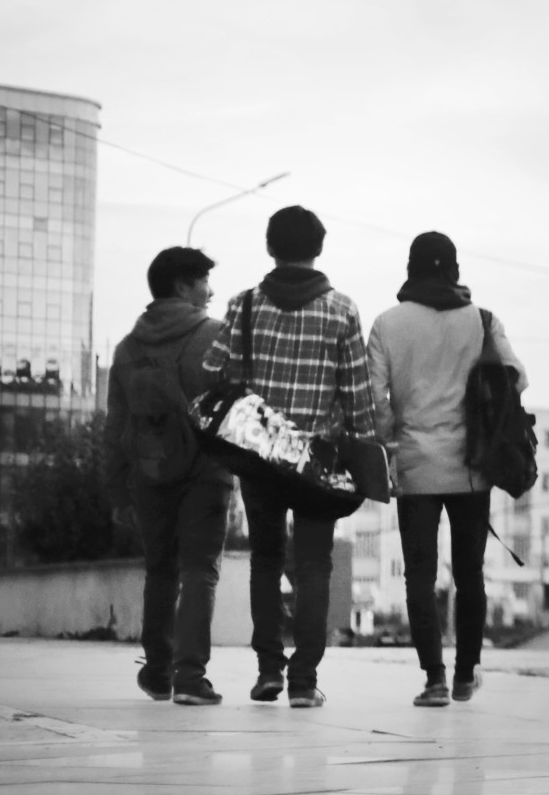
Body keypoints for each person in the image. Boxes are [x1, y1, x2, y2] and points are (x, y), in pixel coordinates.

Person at [201, 206, 385, 709]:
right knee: (314, 565)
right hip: (316, 465)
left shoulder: (243, 304)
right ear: (319, 249)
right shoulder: (342, 310)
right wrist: (368, 452)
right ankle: (304, 680)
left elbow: (212, 369)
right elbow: (357, 395)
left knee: (265, 559)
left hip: (258, 456)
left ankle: (268, 671)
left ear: (270, 247)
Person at [368, 232, 525, 707]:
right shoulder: (483, 321)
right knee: (470, 573)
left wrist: (392, 438)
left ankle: (433, 679)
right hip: (471, 466)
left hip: (416, 465)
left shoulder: (387, 324)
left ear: (411, 269)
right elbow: (515, 378)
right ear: (455, 270)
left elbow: (376, 400)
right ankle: (465, 675)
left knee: (418, 574)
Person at [103, 245, 230, 706]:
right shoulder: (216, 337)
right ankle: (191, 678)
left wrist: (117, 490)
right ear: (183, 285)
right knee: (200, 571)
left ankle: (158, 671)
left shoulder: (127, 349)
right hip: (206, 471)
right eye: (203, 282)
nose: (210, 291)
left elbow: (116, 426)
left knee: (160, 570)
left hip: (148, 471)